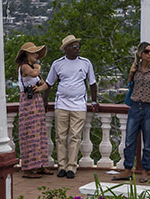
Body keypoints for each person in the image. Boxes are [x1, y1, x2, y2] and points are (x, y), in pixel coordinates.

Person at [43, 35, 99, 179]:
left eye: (77, 46)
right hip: (61, 103)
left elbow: (92, 83)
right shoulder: (57, 64)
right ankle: (61, 165)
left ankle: (71, 167)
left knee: (75, 136)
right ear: (66, 49)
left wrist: (94, 101)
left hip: (79, 104)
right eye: (74, 47)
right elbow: (49, 83)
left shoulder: (86, 63)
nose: (77, 49)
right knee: (61, 136)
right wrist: (45, 101)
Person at [113, 42, 150, 184]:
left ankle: (145, 171)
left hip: (149, 108)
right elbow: (129, 85)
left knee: (148, 142)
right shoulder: (136, 69)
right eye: (147, 52)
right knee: (129, 140)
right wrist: (131, 72)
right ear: (140, 54)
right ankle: (128, 168)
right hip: (135, 107)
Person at [15, 42, 54, 178]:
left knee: (39, 133)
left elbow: (45, 85)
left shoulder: (33, 67)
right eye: (34, 53)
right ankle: (28, 168)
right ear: (27, 54)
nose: (37, 56)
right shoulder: (24, 67)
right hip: (27, 102)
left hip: (36, 101)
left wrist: (39, 88)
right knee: (30, 133)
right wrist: (38, 67)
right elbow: (33, 73)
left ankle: (40, 165)